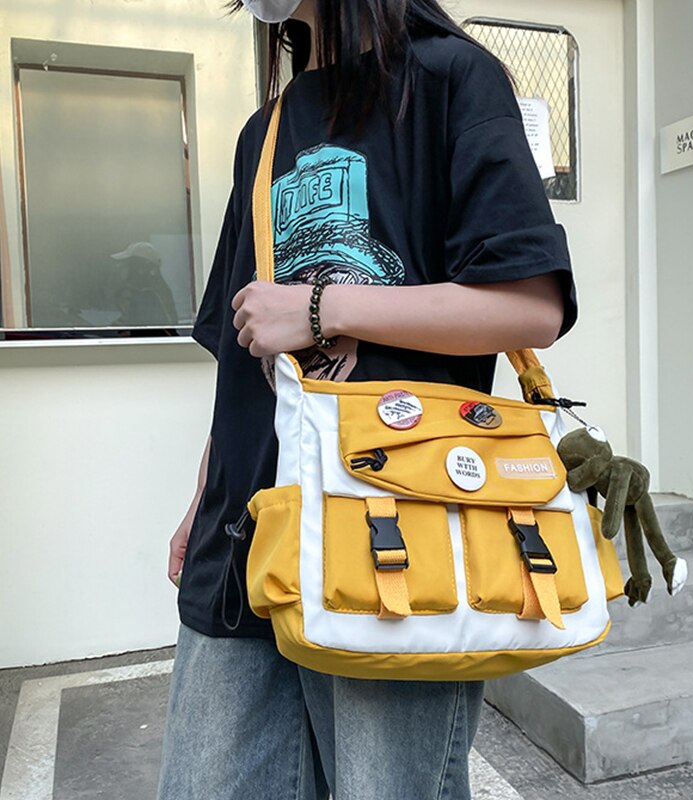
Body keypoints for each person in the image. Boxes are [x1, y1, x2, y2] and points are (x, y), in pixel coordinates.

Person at [158, 1, 577, 798]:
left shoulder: (451, 78)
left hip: (394, 537)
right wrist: (201, 499)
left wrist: (322, 308)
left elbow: (532, 307)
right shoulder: (264, 132)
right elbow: (244, 359)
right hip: (244, 534)